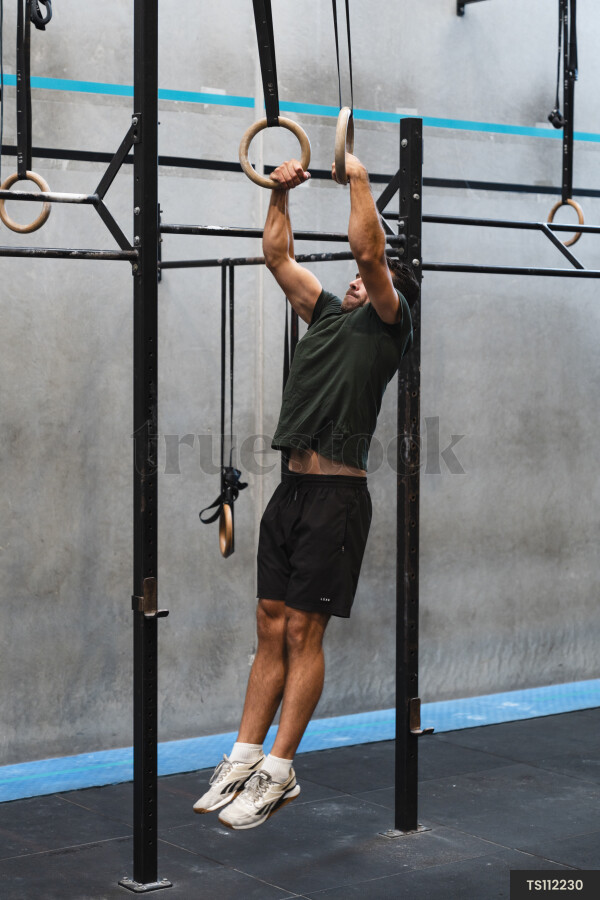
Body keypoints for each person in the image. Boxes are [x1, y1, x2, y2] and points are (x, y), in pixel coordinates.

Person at [194, 153, 418, 830]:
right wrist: (279, 192)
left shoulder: (386, 325)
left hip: (337, 500)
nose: (354, 282)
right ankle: (243, 755)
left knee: (302, 628)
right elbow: (277, 255)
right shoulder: (322, 315)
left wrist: (355, 175)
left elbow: (371, 250)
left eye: (364, 279)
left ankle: (282, 771)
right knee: (268, 623)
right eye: (351, 279)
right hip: (290, 492)